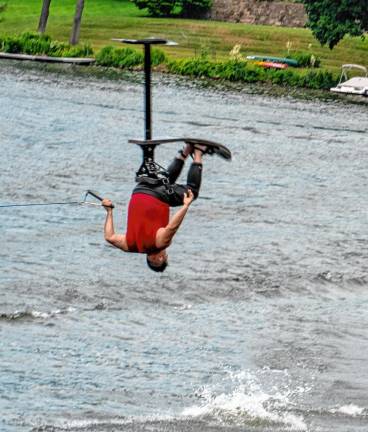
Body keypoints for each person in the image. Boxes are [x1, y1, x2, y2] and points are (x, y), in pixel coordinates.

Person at [102, 143, 209, 272]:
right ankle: (186, 150)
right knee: (166, 182)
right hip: (139, 190)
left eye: (166, 257)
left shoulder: (159, 244)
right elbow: (109, 237)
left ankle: (198, 152)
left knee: (192, 192)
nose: (166, 254)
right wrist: (109, 211)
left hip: (158, 196)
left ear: (159, 259)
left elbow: (172, 227)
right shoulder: (128, 246)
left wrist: (185, 206)